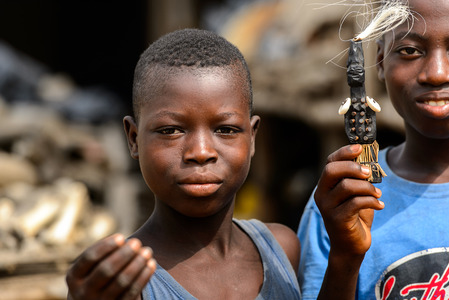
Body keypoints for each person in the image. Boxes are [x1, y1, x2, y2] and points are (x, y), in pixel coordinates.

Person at [65, 28, 302, 300]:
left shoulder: (281, 250)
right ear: (133, 139)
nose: (201, 152)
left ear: (252, 138)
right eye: (170, 131)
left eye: (226, 130)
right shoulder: (122, 282)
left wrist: (346, 257)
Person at [297, 0, 449, 299]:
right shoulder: (345, 198)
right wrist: (345, 257)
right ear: (379, 61)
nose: (437, 73)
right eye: (409, 51)